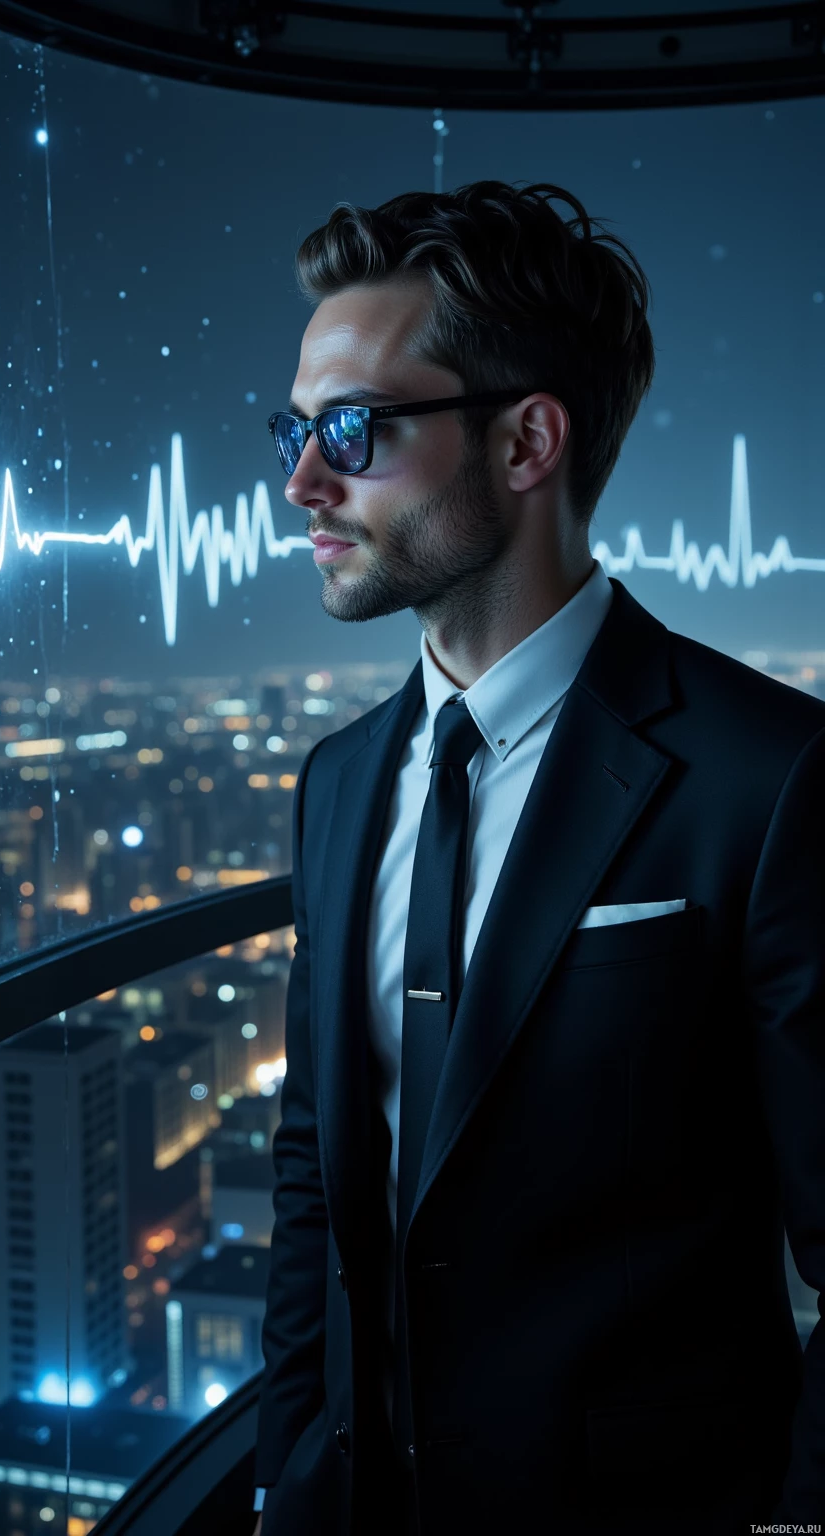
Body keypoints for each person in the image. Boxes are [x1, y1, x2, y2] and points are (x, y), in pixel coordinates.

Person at [249, 180, 824, 1536]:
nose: (299, 483)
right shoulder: (337, 783)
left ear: (525, 443)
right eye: (294, 428)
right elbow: (311, 1169)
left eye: (352, 430)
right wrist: (288, 1475)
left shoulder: (773, 777)